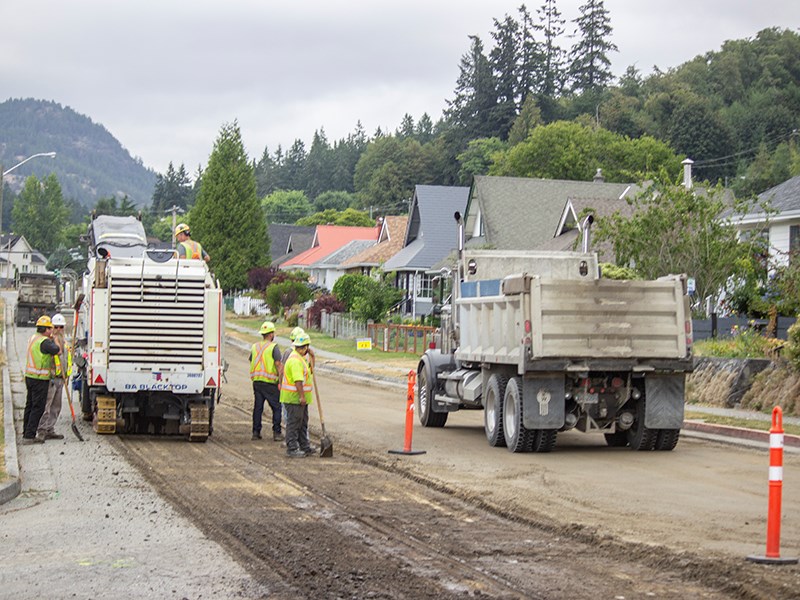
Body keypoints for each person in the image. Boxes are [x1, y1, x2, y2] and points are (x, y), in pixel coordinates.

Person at [22, 315, 61, 445]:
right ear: (46, 329)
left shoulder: (34, 338)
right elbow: (57, 351)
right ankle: (30, 435)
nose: (52, 331)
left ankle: (26, 432)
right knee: (38, 407)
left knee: (29, 405)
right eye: (50, 328)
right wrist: (55, 339)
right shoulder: (45, 342)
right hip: (40, 378)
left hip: (30, 376)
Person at [280, 332, 315, 458]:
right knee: (294, 423)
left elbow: (310, 371)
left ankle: (304, 446)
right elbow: (298, 380)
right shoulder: (295, 360)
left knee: (302, 423)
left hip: (298, 399)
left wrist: (313, 357)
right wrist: (302, 396)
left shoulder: (300, 358)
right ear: (305, 347)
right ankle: (292, 448)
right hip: (293, 398)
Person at [36, 313, 70, 441]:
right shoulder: (48, 342)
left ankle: (50, 429)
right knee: (46, 406)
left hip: (61, 378)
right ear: (52, 327)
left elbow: (66, 359)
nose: (59, 330)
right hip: (51, 378)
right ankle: (42, 430)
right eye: (56, 327)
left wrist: (66, 374)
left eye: (61, 327)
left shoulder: (65, 342)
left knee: (56, 406)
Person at [250, 320, 283, 441]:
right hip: (270, 382)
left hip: (257, 381)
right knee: (277, 407)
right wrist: (280, 381)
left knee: (258, 407)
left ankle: (255, 432)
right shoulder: (274, 347)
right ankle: (277, 433)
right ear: (270, 334)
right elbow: (278, 364)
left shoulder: (255, 346)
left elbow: (251, 360)